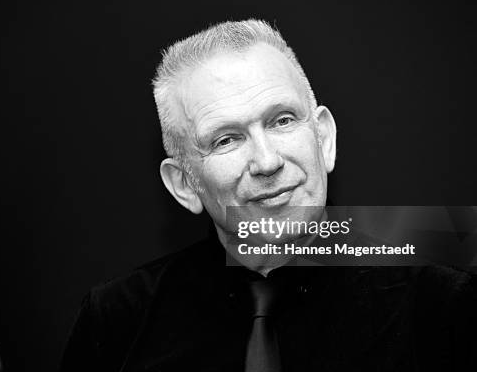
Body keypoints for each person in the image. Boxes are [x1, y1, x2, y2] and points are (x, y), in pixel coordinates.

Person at [59, 20, 476, 371]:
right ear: (184, 184)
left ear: (324, 139)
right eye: (225, 140)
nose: (267, 161)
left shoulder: (445, 297)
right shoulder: (117, 321)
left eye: (282, 120)